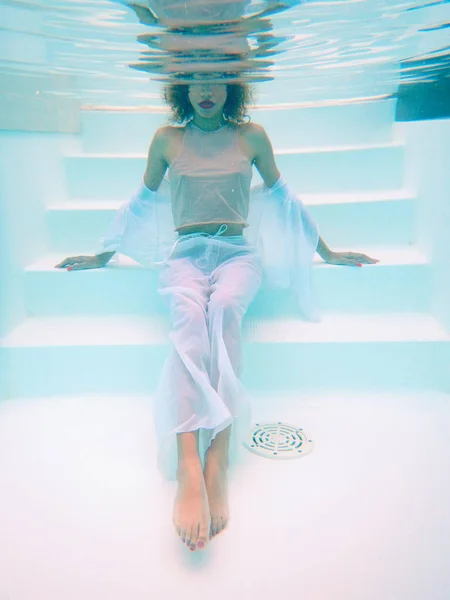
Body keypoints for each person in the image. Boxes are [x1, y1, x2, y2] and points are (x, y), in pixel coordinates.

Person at [55, 78, 378, 553]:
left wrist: (326, 252)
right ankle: (189, 459)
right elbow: (141, 203)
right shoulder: (168, 139)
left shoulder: (252, 136)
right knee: (189, 318)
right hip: (185, 254)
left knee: (224, 310)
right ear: (183, 88)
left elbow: (284, 198)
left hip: (236, 253)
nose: (206, 90)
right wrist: (101, 254)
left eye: (216, 81)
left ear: (232, 86)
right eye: (196, 81)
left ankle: (218, 455)